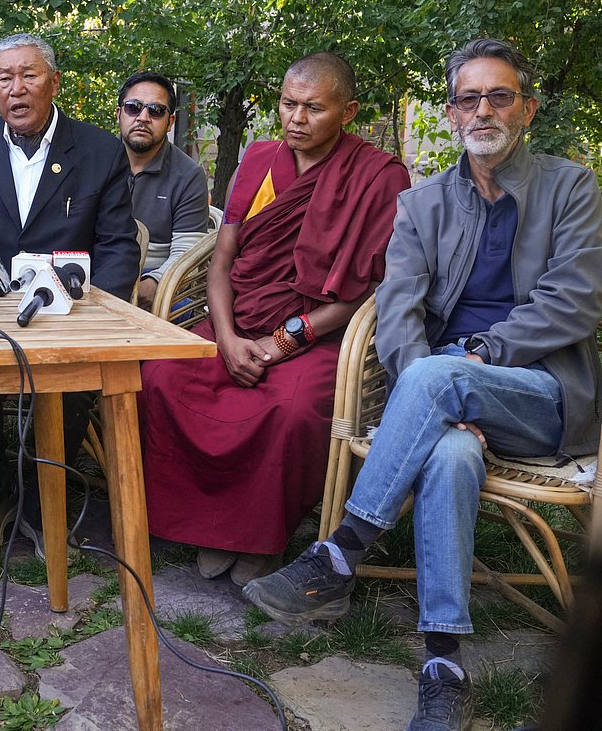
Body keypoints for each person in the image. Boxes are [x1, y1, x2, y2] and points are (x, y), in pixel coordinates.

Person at [244, 38, 602, 731]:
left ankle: (341, 552)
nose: (483, 110)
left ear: (527, 108)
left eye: (499, 96)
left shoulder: (572, 189)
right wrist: (434, 391)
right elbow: (399, 308)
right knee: (449, 452)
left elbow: (576, 301)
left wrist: (472, 360)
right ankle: (444, 665)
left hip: (543, 397)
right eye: (469, 98)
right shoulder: (422, 203)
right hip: (446, 400)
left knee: (440, 374)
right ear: (450, 113)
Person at [139, 52, 410, 586]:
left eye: (314, 108)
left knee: (292, 409)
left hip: (320, 333)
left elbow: (371, 288)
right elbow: (222, 261)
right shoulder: (261, 159)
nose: (297, 119)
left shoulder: (379, 177)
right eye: (289, 104)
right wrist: (226, 337)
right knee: (162, 376)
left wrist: (288, 339)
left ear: (348, 111)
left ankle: (259, 537)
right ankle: (208, 525)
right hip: (237, 320)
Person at [0, 33, 140, 555]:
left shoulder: (100, 150)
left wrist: (96, 311)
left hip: (66, 310)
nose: (16, 88)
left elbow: (119, 245)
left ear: (53, 83)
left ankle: (43, 505)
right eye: (4, 78)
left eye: (28, 75)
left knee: (74, 381)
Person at [116, 71, 211, 312]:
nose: (143, 118)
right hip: (99, 270)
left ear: (170, 122)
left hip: (158, 276)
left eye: (156, 111)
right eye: (133, 107)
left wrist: (154, 282)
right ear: (119, 114)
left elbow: (186, 254)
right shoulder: (96, 161)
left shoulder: (188, 175)